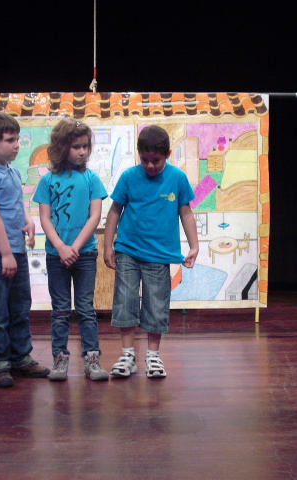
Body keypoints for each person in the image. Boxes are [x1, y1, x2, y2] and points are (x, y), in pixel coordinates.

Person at [104, 125, 199, 378]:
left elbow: (186, 213)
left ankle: (153, 356)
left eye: (156, 160)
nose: (150, 165)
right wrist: (107, 246)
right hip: (127, 250)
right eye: (144, 159)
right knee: (125, 300)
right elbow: (114, 211)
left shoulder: (177, 178)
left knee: (156, 304)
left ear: (167, 154)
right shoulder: (129, 176)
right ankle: (127, 355)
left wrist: (194, 246)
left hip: (159, 254)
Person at [0, 112, 49, 388]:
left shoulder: (13, 171)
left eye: (17, 139)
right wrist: (5, 254)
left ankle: (20, 357)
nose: (17, 145)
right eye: (10, 140)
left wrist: (28, 220)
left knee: (20, 306)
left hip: (14, 249)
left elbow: (16, 204)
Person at [34, 118, 109, 382]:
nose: (82, 152)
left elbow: (95, 216)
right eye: (76, 147)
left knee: (86, 308)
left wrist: (74, 247)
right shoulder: (47, 181)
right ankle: (60, 359)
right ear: (61, 147)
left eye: (85, 146)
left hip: (84, 254)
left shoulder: (91, 179)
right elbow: (45, 219)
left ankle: (92, 358)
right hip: (57, 256)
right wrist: (61, 247)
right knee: (60, 309)